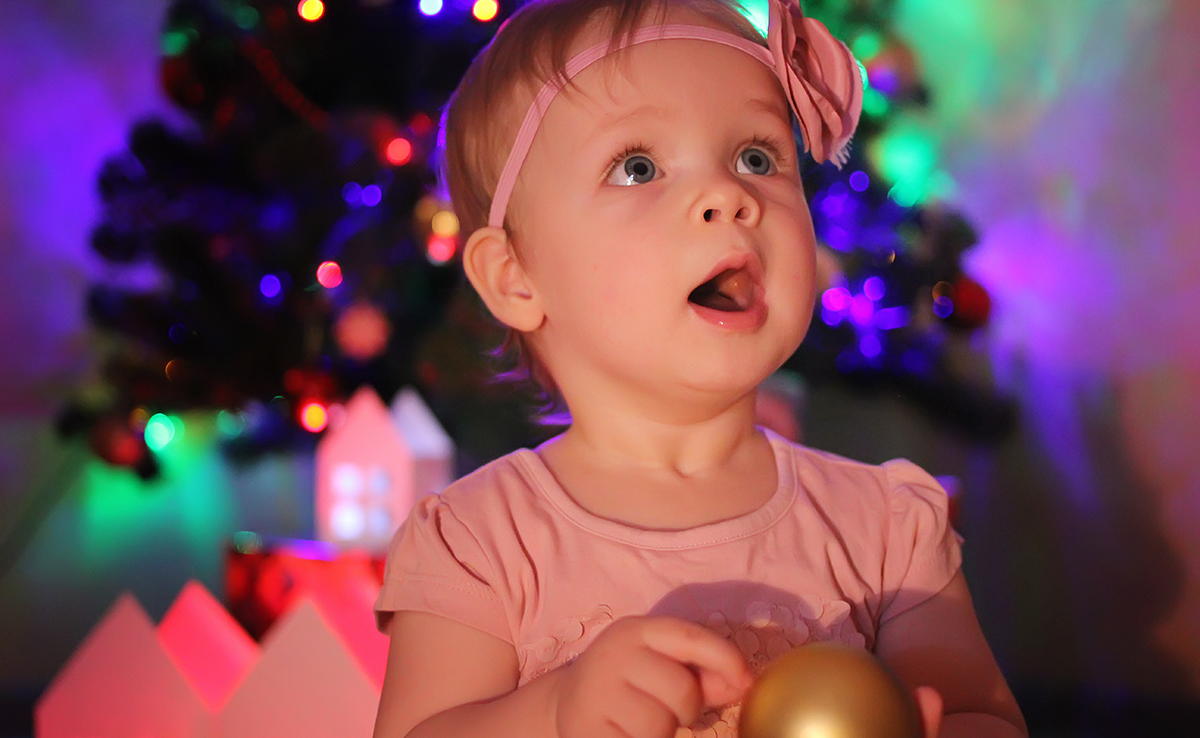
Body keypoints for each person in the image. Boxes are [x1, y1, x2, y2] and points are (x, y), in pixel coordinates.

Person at [373, 0, 1027, 735]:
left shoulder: (885, 531)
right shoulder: (481, 545)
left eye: (757, 157)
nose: (730, 196)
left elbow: (985, 718)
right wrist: (555, 710)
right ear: (516, 277)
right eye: (639, 166)